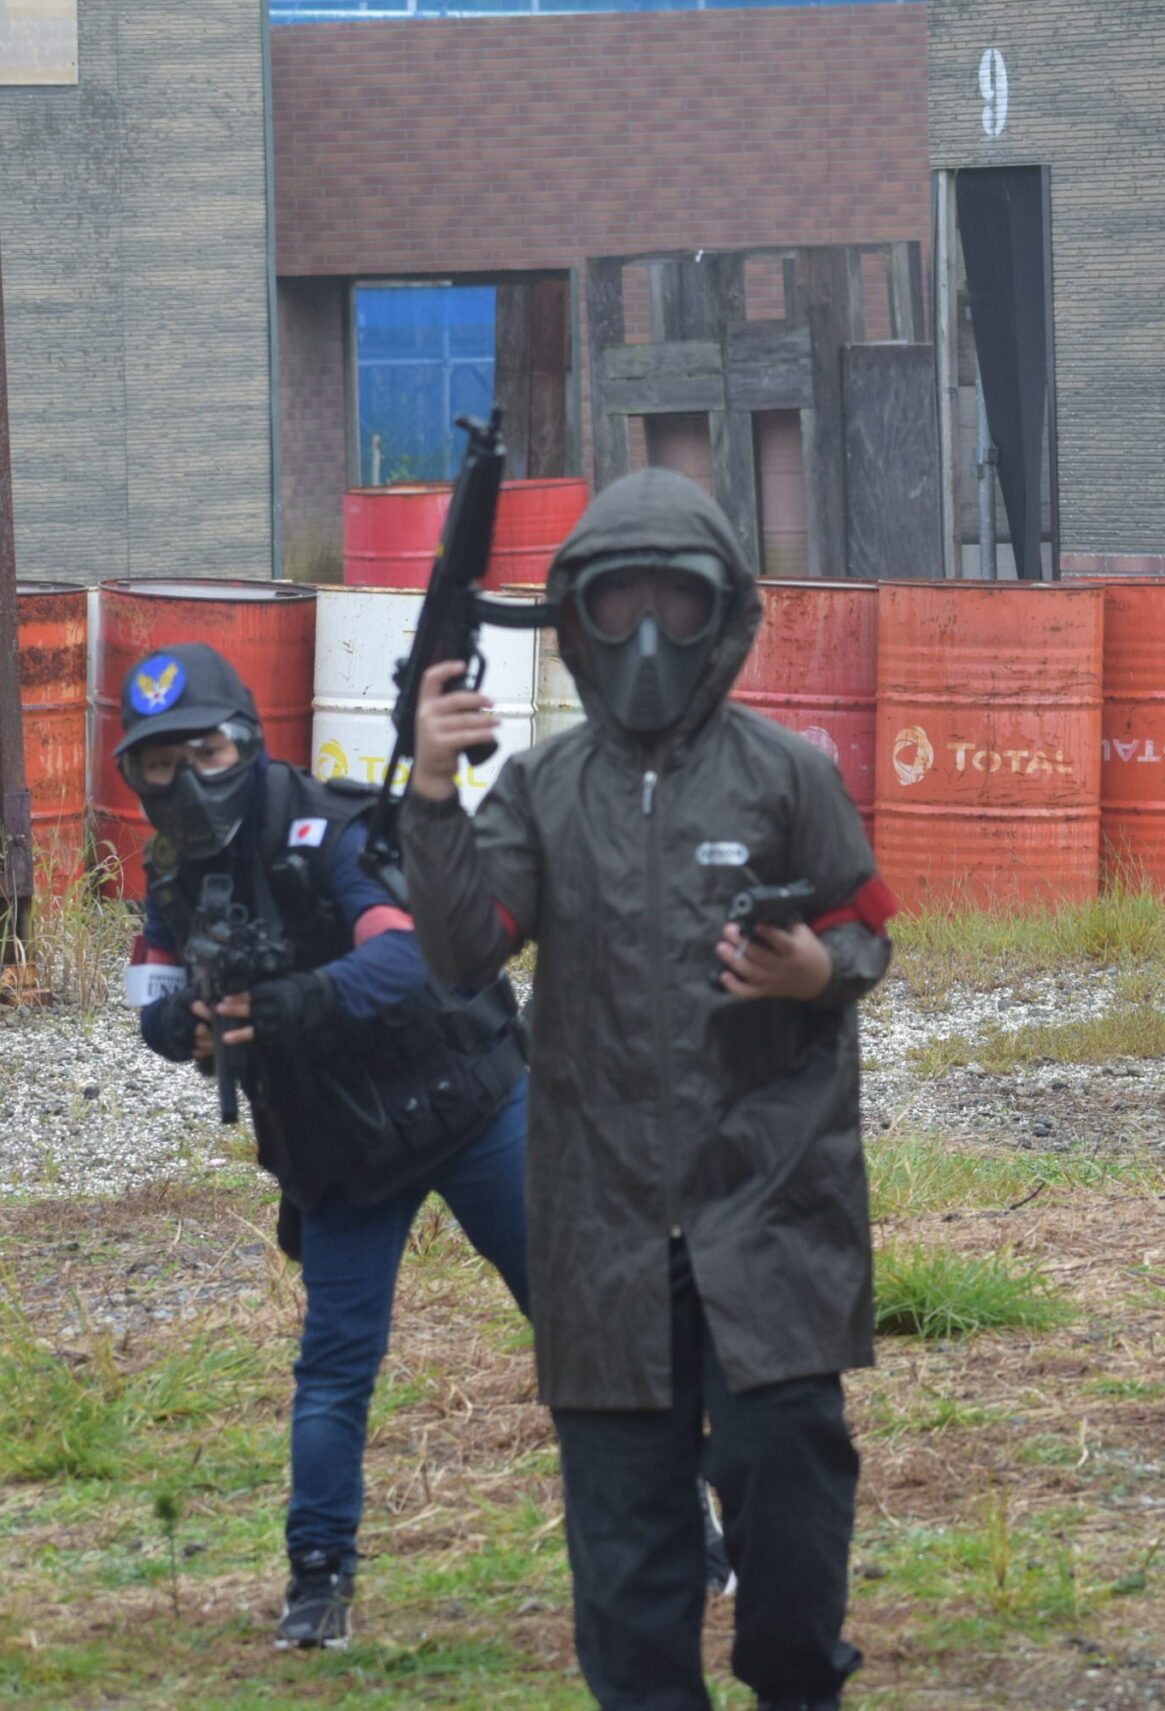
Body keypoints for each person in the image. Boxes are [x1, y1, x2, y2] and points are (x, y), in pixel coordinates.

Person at [399, 468, 897, 1711]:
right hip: (602, 1222)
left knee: (789, 1482)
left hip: (772, 1202)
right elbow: (462, 951)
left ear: (723, 615)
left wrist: (814, 970)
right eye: (618, 605)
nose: (646, 638)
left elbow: (866, 929)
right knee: (626, 1559)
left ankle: (797, 1686)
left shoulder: (785, 776)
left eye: (676, 605)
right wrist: (431, 792)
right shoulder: (542, 789)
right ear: (576, 618)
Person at [116, 641, 532, 1651]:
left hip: (465, 1102)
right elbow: (152, 993)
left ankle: (683, 1521)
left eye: (205, 752)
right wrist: (187, 1026)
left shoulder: (327, 824)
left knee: (580, 1316)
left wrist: (301, 1000)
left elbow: (413, 951)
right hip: (341, 1142)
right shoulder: (171, 875)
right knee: (335, 1364)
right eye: (161, 763)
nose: (186, 779)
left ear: (247, 742)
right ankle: (317, 1580)